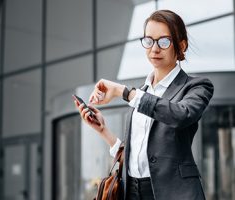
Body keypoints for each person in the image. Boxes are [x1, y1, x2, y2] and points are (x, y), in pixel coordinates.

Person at [74, 10, 214, 200]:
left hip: (173, 192)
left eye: (164, 41)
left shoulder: (196, 87)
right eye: (149, 40)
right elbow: (138, 154)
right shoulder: (142, 93)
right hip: (132, 192)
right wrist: (103, 130)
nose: (154, 49)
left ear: (181, 45)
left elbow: (181, 115)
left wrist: (123, 92)